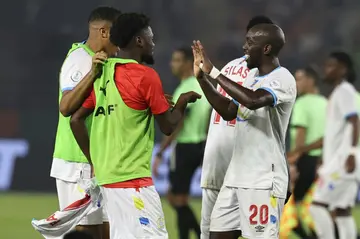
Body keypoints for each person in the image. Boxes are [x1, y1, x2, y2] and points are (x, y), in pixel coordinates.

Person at [70, 12, 201, 238]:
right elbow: (168, 126)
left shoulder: (104, 72)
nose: (153, 43)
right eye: (150, 37)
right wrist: (182, 102)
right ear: (139, 41)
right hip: (133, 182)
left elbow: (75, 119)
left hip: (107, 181)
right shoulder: (144, 76)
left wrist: (94, 159)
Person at [192, 23, 296, 239]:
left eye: (250, 42)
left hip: (263, 180)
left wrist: (213, 71)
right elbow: (229, 110)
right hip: (235, 175)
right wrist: (202, 78)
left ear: (266, 49)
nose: (244, 46)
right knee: (216, 235)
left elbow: (253, 100)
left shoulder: (283, 79)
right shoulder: (251, 77)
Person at [50, 6, 120, 239]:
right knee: (87, 234)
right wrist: (92, 73)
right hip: (77, 163)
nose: (120, 43)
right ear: (104, 32)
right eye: (117, 34)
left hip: (99, 162)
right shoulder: (79, 59)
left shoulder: (104, 62)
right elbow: (67, 107)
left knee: (108, 232)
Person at [297, 52, 359, 239]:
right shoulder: (340, 92)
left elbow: (355, 121)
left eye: (331, 66)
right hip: (341, 162)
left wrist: (350, 153)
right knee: (342, 211)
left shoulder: (344, 91)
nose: (326, 70)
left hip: (342, 163)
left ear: (343, 70)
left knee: (316, 206)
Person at [153, 47, 211, 239]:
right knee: (180, 198)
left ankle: (197, 234)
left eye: (177, 60)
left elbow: (178, 123)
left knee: (175, 198)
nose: (172, 64)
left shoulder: (186, 87)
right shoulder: (202, 84)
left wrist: (161, 152)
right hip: (201, 145)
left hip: (185, 146)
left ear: (187, 63)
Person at [288, 66, 327, 238]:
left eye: (299, 79)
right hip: (322, 161)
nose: (296, 83)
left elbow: (300, 135)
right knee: (314, 205)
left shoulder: (302, 104)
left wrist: (293, 159)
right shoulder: (326, 103)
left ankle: (309, 236)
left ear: (311, 81)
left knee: (287, 205)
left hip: (305, 161)